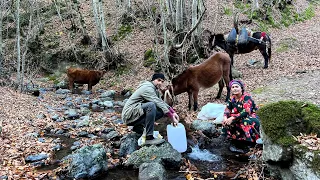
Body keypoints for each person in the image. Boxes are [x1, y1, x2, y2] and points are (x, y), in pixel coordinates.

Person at [122, 73, 180, 145]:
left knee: (161, 110)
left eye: (162, 81)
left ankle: (138, 127)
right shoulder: (147, 88)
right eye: (158, 80)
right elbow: (156, 102)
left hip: (135, 113)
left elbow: (161, 102)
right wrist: (171, 116)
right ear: (153, 80)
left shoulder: (155, 90)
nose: (160, 83)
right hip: (128, 115)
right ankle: (149, 138)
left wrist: (173, 112)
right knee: (151, 105)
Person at [222, 79, 260, 153]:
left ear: (241, 88)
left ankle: (249, 143)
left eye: (237, 86)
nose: (235, 88)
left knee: (245, 122)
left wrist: (233, 117)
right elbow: (227, 110)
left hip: (252, 116)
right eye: (233, 87)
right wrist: (225, 118)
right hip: (238, 117)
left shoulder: (246, 97)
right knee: (226, 122)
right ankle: (233, 139)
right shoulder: (232, 98)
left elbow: (246, 111)